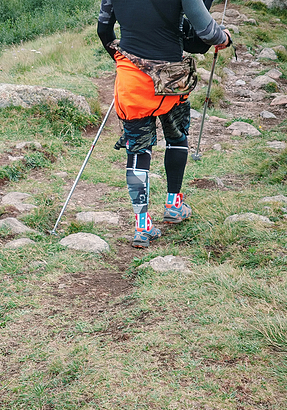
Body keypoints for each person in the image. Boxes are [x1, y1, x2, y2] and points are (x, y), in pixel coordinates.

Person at [97, 0, 231, 248]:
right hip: (172, 78)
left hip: (131, 78)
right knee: (177, 136)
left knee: (137, 150)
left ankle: (142, 225)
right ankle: (174, 204)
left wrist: (124, 61)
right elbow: (206, 32)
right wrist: (223, 37)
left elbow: (104, 31)